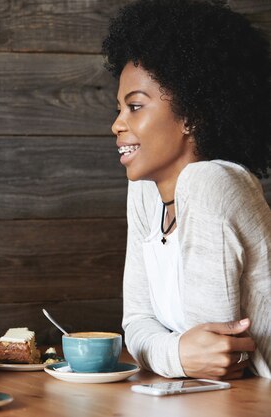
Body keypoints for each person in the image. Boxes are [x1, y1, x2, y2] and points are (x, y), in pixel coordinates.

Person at [103, 0, 271, 380]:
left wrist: (171, 353)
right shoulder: (148, 193)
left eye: (135, 107)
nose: (117, 124)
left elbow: (217, 356)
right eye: (118, 109)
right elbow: (138, 324)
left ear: (192, 116)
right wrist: (176, 353)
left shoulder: (211, 183)